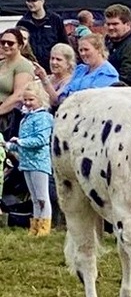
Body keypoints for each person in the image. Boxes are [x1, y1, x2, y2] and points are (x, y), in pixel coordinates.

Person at [6, 80, 54, 236]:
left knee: (42, 197)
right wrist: (9, 145)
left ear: (40, 99)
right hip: (26, 162)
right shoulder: (26, 117)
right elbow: (22, 142)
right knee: (34, 197)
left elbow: (41, 140)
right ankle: (35, 225)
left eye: (31, 99)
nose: (27, 103)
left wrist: (20, 142)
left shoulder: (44, 117)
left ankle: (44, 227)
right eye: (25, 100)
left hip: (39, 162)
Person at [17, 0, 69, 71]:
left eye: (33, 0)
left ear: (42, 1)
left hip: (52, 67)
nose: (30, 4)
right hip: (31, 67)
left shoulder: (55, 20)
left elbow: (64, 43)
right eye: (28, 1)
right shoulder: (23, 22)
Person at [60, 34, 119, 100]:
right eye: (81, 50)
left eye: (86, 49)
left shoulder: (108, 73)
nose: (83, 53)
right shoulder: (80, 70)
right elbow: (65, 92)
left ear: (99, 49)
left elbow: (93, 97)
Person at [0, 28, 35, 139]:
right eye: (3, 42)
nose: (6, 45)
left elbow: (19, 96)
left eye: (10, 43)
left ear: (20, 45)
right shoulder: (1, 64)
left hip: (8, 118)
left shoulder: (24, 65)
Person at [104, 4, 131, 89]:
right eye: (108, 24)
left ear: (127, 24)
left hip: (127, 94)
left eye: (115, 24)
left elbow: (130, 78)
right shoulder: (110, 43)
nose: (110, 27)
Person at [34, 43, 76, 107]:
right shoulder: (48, 78)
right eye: (52, 58)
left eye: (58, 59)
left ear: (68, 64)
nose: (54, 62)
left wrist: (44, 79)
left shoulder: (71, 81)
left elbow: (56, 102)